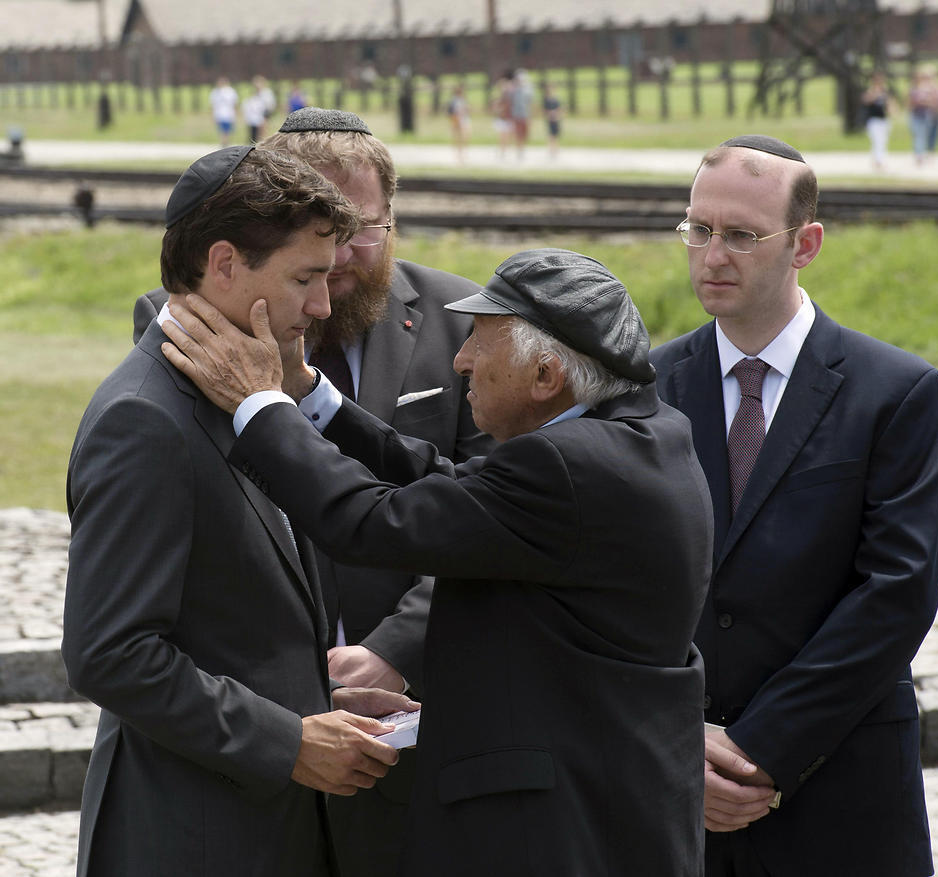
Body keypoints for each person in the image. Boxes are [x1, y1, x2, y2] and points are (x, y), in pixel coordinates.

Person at [161, 246, 714, 876]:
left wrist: (260, 404)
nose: (461, 361)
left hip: (561, 836)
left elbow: (370, 522)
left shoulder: (565, 467)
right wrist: (315, 399)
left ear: (545, 378)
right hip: (614, 808)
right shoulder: (639, 436)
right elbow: (452, 485)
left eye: (481, 342)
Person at [132, 107, 492, 877]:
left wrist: (397, 648)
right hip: (253, 753)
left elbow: (489, 509)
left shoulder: (467, 325)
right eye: (310, 248)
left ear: (393, 221)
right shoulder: (189, 334)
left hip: (414, 732)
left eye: (360, 228)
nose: (337, 264)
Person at [63, 146, 417, 876]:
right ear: (224, 264)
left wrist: (316, 694)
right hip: (190, 840)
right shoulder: (146, 419)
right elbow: (111, 653)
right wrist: (289, 739)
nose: (322, 306)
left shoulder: (248, 388)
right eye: (304, 279)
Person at [649, 134, 938, 877]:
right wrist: (685, 738)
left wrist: (761, 752)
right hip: (677, 795)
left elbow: (896, 595)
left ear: (805, 243)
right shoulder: (646, 388)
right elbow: (615, 584)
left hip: (841, 789)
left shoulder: (896, 392)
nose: (712, 255)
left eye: (743, 236)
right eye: (699, 229)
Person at [908, 65, 938, 165]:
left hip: (929, 114)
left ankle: (926, 153)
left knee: (929, 135)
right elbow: (911, 102)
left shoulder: (934, 88)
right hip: (919, 114)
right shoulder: (915, 88)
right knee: (919, 135)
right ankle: (919, 154)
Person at [861, 71, 892, 171]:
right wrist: (876, 94)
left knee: (883, 141)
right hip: (873, 120)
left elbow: (888, 104)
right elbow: (865, 100)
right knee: (876, 140)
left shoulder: (884, 92)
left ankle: (880, 160)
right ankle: (878, 161)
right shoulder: (871, 91)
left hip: (883, 119)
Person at [209, 76, 238, 146]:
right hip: (219, 114)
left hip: (228, 114)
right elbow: (213, 105)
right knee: (221, 130)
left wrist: (235, 113)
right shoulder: (215, 92)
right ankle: (223, 142)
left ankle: (226, 142)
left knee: (227, 130)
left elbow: (234, 103)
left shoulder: (231, 91)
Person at [447, 82, 471, 163]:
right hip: (457, 120)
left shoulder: (463, 100)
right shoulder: (454, 100)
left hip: (463, 120)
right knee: (459, 137)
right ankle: (458, 153)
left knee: (463, 137)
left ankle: (462, 153)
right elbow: (451, 112)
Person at [543, 83, 563, 157]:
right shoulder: (547, 100)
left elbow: (560, 109)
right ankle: (551, 149)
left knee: (556, 135)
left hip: (556, 119)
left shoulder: (556, 99)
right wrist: (549, 115)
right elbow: (545, 111)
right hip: (550, 120)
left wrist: (557, 115)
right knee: (551, 135)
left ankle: (556, 149)